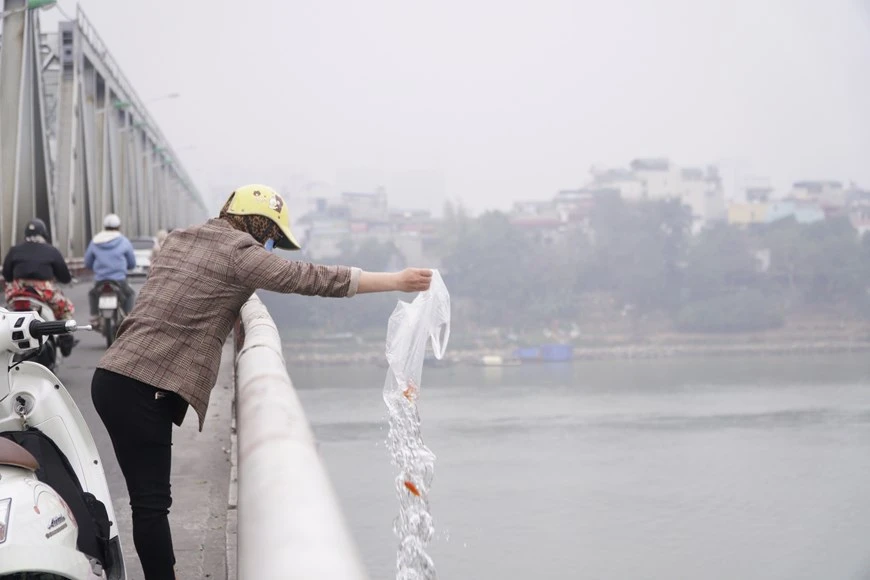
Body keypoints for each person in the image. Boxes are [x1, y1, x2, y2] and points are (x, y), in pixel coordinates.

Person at [90, 184, 432, 579]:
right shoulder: (239, 252)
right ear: (256, 222)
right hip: (143, 386)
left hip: (114, 375)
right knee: (151, 505)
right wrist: (396, 281)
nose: (269, 246)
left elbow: (199, 289)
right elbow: (311, 278)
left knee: (145, 503)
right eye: (270, 236)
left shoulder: (182, 238)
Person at [2, 218, 76, 355]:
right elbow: (64, 277)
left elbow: (7, 275)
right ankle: (65, 338)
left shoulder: (14, 250)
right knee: (66, 308)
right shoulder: (51, 251)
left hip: (17, 293)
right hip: (43, 293)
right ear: (44, 234)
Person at [85, 213, 137, 327]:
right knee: (130, 294)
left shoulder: (95, 240)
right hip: (119, 280)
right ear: (119, 226)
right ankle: (128, 317)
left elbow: (88, 262)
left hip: (100, 280)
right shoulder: (123, 241)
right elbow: (132, 262)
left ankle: (94, 317)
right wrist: (128, 266)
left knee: (92, 293)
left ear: (104, 226)